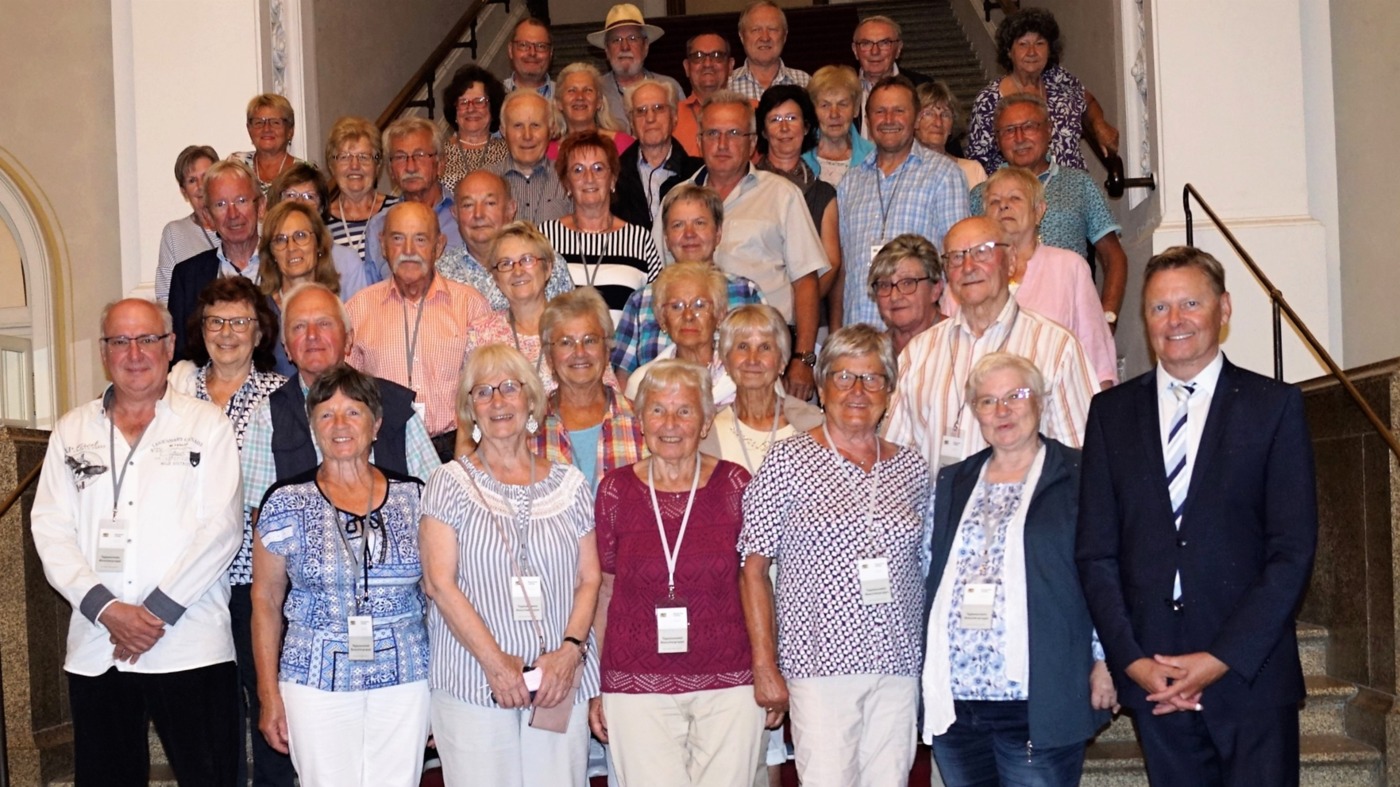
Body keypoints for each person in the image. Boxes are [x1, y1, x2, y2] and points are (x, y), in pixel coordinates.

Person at [1076, 247, 1318, 787]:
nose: (1175, 320)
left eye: (1190, 303)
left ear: (1224, 309)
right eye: (1159, 308)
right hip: (1154, 675)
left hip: (1250, 675)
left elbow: (1292, 551)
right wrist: (1133, 662)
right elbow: (1095, 553)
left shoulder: (1274, 406)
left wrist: (1220, 658)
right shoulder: (1111, 416)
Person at [32, 298, 242, 786]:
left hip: (188, 643)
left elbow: (223, 528)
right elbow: (50, 529)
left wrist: (153, 615)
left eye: (147, 339)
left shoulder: (206, 425)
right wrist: (108, 610)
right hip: (98, 648)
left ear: (169, 347)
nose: (134, 352)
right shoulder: (71, 430)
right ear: (104, 352)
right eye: (120, 341)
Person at [739, 324, 931, 787]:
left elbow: (923, 569)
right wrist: (765, 665)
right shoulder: (788, 460)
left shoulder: (912, 466)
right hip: (818, 664)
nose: (858, 391)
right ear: (822, 387)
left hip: (897, 664)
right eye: (843, 377)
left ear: (890, 389)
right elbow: (753, 570)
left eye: (872, 378)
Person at [923, 352, 1114, 785]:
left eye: (1015, 395)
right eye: (987, 401)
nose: (1002, 410)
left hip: (1039, 693)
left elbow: (1108, 572)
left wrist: (1106, 659)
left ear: (1040, 400)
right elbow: (928, 569)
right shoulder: (954, 481)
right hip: (957, 699)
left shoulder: (1080, 474)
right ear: (975, 413)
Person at [419, 344, 601, 786]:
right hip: (472, 679)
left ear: (531, 400)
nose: (498, 401)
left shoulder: (571, 483)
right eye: (483, 392)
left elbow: (590, 578)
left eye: (509, 388)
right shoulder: (449, 482)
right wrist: (496, 663)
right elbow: (438, 585)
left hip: (559, 678)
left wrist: (569, 652)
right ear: (470, 410)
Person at [251, 364, 430, 786]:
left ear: (377, 425)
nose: (340, 425)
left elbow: (437, 595)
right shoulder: (284, 502)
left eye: (353, 412)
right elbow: (264, 602)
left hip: (405, 678)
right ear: (313, 427)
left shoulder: (415, 497)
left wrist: (441, 688)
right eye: (326, 415)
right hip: (314, 681)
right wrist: (267, 694)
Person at [590, 359, 768, 785]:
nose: (670, 423)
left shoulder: (736, 485)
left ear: (705, 423)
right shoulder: (614, 490)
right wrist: (599, 682)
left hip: (729, 680)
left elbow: (756, 580)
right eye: (657, 410)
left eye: (685, 410)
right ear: (640, 422)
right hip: (635, 682)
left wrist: (766, 666)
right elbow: (604, 589)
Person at [168, 277, 292, 787]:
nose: (226, 333)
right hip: (190, 581)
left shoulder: (280, 396)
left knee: (267, 698)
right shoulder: (175, 391)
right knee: (208, 711)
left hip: (252, 576)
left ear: (259, 333)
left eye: (239, 322)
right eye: (216, 321)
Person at [696, 303, 823, 786]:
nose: (752, 358)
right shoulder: (705, 433)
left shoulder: (814, 427)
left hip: (807, 605)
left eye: (765, 346)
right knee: (749, 743)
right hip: (733, 608)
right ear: (724, 360)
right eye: (741, 347)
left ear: (783, 357)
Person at [885, 216, 1097, 471]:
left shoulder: (1057, 348)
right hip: (938, 509)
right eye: (956, 257)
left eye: (982, 252)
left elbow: (1080, 459)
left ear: (1011, 262)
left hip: (1027, 508)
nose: (968, 266)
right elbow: (895, 462)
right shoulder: (918, 353)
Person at [663, 91, 827, 401]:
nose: (722, 144)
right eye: (712, 133)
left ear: (752, 143)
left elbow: (806, 281)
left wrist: (803, 359)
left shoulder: (782, 195)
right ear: (698, 140)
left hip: (764, 357)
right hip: (690, 359)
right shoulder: (676, 199)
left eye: (734, 133)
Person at [240, 282, 441, 518]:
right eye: (299, 327)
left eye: (324, 324)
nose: (312, 336)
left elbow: (436, 502)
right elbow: (262, 520)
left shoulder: (396, 407)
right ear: (286, 349)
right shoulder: (268, 417)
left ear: (348, 339)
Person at [346, 202, 493, 462]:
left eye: (420, 239)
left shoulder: (471, 306)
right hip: (383, 450)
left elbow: (488, 388)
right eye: (397, 239)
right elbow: (346, 393)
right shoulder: (357, 309)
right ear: (382, 245)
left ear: (439, 246)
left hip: (457, 449)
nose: (409, 251)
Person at [971, 94, 1129, 329]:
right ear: (997, 140)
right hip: (999, 323)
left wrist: (1107, 317)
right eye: (1009, 130)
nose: (1020, 138)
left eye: (1029, 127)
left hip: (1068, 319)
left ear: (1049, 130)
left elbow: (1113, 256)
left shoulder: (1079, 184)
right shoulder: (982, 195)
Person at [959, 167, 1117, 387]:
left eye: (1015, 198)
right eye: (994, 202)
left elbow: (1097, 356)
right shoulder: (968, 274)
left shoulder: (1070, 267)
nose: (1004, 205)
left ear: (1039, 211)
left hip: (1057, 401)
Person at [836, 76, 968, 330]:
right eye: (880, 112)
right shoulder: (850, 182)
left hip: (920, 335)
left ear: (916, 118)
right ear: (867, 119)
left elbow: (957, 259)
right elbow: (844, 269)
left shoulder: (943, 174)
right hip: (860, 333)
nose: (888, 120)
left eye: (899, 111)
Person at [613, 184, 765, 384]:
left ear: (718, 233)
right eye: (678, 225)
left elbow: (765, 364)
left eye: (700, 223)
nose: (689, 233)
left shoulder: (747, 294)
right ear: (666, 238)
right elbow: (622, 379)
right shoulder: (641, 301)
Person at [472, 221, 621, 397]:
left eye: (527, 260)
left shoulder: (576, 326)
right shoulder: (479, 334)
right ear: (496, 278)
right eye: (506, 264)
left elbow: (610, 394)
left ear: (548, 268)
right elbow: (468, 405)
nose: (517, 271)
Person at [966, 7, 1120, 175]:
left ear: (1049, 49)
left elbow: (1088, 101)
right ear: (1009, 52)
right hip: (1020, 193)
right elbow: (977, 165)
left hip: (1073, 188)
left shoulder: (1060, 79)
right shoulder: (989, 100)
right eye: (1023, 44)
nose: (1032, 52)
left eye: (1039, 43)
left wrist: (1099, 124)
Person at [540, 131, 663, 323]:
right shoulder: (545, 237)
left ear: (612, 179)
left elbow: (655, 309)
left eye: (598, 168)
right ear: (567, 184)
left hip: (622, 352)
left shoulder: (640, 240)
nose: (589, 178)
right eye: (578, 170)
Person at [532, 288, 643, 491]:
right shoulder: (528, 430)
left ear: (607, 349)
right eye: (566, 343)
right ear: (549, 356)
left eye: (590, 340)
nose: (580, 353)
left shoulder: (642, 422)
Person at [755, 85, 841, 321]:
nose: (784, 128)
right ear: (763, 131)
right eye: (775, 119)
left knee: (809, 359)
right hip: (753, 316)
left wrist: (797, 308)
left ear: (806, 127)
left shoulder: (824, 193)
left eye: (792, 118)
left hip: (812, 321)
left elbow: (831, 263)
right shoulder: (747, 186)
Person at [436, 170, 575, 311]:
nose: (478, 214)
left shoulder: (544, 263)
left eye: (490, 203)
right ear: (455, 213)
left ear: (510, 209)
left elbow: (571, 323)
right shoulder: (441, 273)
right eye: (468, 205)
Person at [169, 159, 264, 362]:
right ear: (208, 216)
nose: (232, 214)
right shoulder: (187, 277)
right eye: (220, 204)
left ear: (261, 206)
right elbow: (179, 357)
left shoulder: (284, 267)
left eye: (241, 201)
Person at [364, 116, 464, 281]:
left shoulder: (464, 218)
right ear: (390, 170)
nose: (410, 167)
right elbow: (372, 295)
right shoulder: (378, 226)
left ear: (440, 164)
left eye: (420, 155)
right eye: (400, 157)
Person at [625, 262, 733, 406]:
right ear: (662, 319)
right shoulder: (641, 382)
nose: (688, 315)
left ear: (719, 315)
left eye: (699, 305)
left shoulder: (743, 372)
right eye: (676, 306)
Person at [256, 199, 343, 376]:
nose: (291, 248)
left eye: (301, 236)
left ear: (318, 244)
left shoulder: (339, 304)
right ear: (271, 253)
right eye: (280, 240)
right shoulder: (259, 312)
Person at [267, 163, 371, 301]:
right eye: (290, 195)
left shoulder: (346, 260)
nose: (299, 203)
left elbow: (360, 316)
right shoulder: (269, 253)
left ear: (322, 207)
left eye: (309, 197)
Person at [614, 78, 701, 227]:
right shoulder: (614, 175)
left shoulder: (699, 173)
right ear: (631, 122)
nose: (650, 118)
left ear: (674, 116)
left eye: (658, 108)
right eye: (641, 111)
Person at [588, 3, 685, 134]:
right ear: (606, 50)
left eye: (632, 38)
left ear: (645, 47)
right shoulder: (595, 91)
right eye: (616, 40)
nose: (625, 47)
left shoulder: (669, 87)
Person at [323, 116, 399, 270]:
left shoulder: (398, 211)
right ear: (332, 166)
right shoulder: (320, 220)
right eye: (344, 157)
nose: (355, 165)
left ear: (377, 166)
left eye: (364, 157)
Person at [489, 90, 573, 225]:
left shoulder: (571, 178)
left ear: (551, 129)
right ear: (503, 131)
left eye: (535, 125)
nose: (527, 136)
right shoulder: (484, 180)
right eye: (518, 126)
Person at [155, 145, 221, 304]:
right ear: (184, 191)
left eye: (206, 177)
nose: (200, 187)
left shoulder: (243, 225)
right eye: (192, 181)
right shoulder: (174, 233)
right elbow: (165, 296)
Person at [867, 233, 945, 357]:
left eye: (907, 283)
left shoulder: (956, 344)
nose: (894, 297)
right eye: (884, 285)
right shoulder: (873, 355)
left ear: (935, 290)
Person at [850, 17, 931, 136]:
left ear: (898, 49)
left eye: (884, 43)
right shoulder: (840, 91)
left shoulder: (921, 86)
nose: (875, 51)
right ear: (855, 51)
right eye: (866, 43)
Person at [440, 64, 510, 191]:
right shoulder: (438, 154)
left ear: (492, 107)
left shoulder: (510, 152)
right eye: (463, 102)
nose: (471, 109)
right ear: (454, 109)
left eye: (479, 101)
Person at [804, 65, 873, 187]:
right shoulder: (799, 156)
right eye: (825, 105)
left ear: (856, 109)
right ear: (813, 110)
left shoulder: (873, 156)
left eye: (843, 104)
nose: (834, 114)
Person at [549, 62, 636, 159]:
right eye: (572, 90)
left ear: (599, 101)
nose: (580, 97)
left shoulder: (623, 145)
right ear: (559, 103)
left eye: (588, 90)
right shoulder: (546, 151)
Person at [729, 1, 810, 101]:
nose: (765, 38)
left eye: (772, 29)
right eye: (756, 30)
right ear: (741, 36)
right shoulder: (726, 85)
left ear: (784, 36)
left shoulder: (805, 83)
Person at [229, 93, 304, 198]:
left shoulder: (305, 171)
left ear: (290, 131)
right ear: (249, 129)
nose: (266, 129)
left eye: (275, 122)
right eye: (259, 122)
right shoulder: (235, 164)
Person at [915, 81, 987, 190]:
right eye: (928, 113)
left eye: (945, 115)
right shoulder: (903, 170)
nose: (938, 123)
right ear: (914, 121)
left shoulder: (972, 170)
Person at [676, 33, 738, 158]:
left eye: (717, 55)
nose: (708, 63)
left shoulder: (752, 111)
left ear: (730, 66)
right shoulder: (671, 116)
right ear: (687, 67)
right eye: (698, 56)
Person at [502, 17, 556, 100]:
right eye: (523, 45)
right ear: (510, 50)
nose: (532, 53)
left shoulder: (565, 98)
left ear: (551, 52)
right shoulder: (494, 95)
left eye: (541, 46)